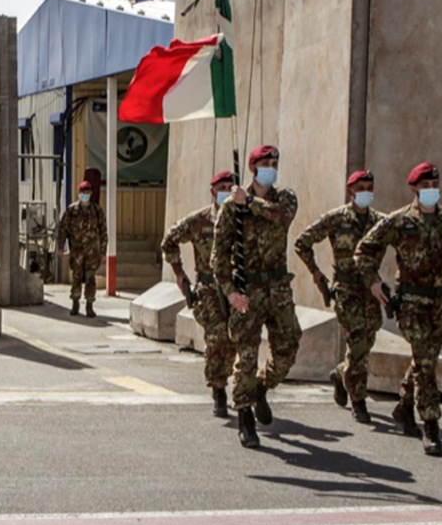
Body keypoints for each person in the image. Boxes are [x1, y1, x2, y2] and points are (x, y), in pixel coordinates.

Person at [354, 161, 442, 456]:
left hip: (440, 303)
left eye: (435, 185)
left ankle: (404, 407)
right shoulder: (400, 220)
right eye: (425, 186)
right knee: (426, 361)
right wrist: (374, 281)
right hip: (411, 304)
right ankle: (431, 425)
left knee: (424, 359)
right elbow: (364, 250)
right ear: (413, 189)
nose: (431, 190)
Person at [215, 145, 302, 449]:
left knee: (288, 347)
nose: (272, 168)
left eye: (275, 163)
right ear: (253, 168)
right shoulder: (231, 208)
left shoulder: (284, 198)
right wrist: (230, 291)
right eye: (266, 163)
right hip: (248, 290)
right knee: (247, 356)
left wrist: (249, 202)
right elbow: (219, 256)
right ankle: (244, 415)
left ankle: (262, 387)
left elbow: (281, 217)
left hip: (278, 288)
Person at [296, 169, 384, 424]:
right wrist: (316, 273)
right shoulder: (336, 218)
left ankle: (341, 373)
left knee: (366, 342)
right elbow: (303, 242)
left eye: (369, 187)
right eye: (361, 188)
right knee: (357, 343)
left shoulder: (380, 222)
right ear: (351, 190)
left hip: (371, 292)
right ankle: (359, 400)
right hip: (346, 291)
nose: (366, 192)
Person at [162, 171, 240, 417]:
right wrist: (179, 273)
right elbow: (170, 240)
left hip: (235, 290)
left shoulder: (241, 219)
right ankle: (218, 389)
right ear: (212, 191)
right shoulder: (200, 220)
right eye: (221, 187)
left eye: (229, 187)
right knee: (216, 339)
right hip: (209, 291)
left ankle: (228, 379)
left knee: (234, 341)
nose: (225, 191)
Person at [58, 180, 107, 316]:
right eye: (83, 191)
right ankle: (75, 303)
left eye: (87, 191)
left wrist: (103, 251)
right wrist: (61, 246)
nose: (85, 194)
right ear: (78, 192)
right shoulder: (71, 210)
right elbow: (63, 229)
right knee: (76, 277)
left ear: (91, 193)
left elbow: (103, 231)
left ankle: (89, 305)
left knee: (91, 278)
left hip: (92, 251)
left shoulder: (97, 211)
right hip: (77, 251)